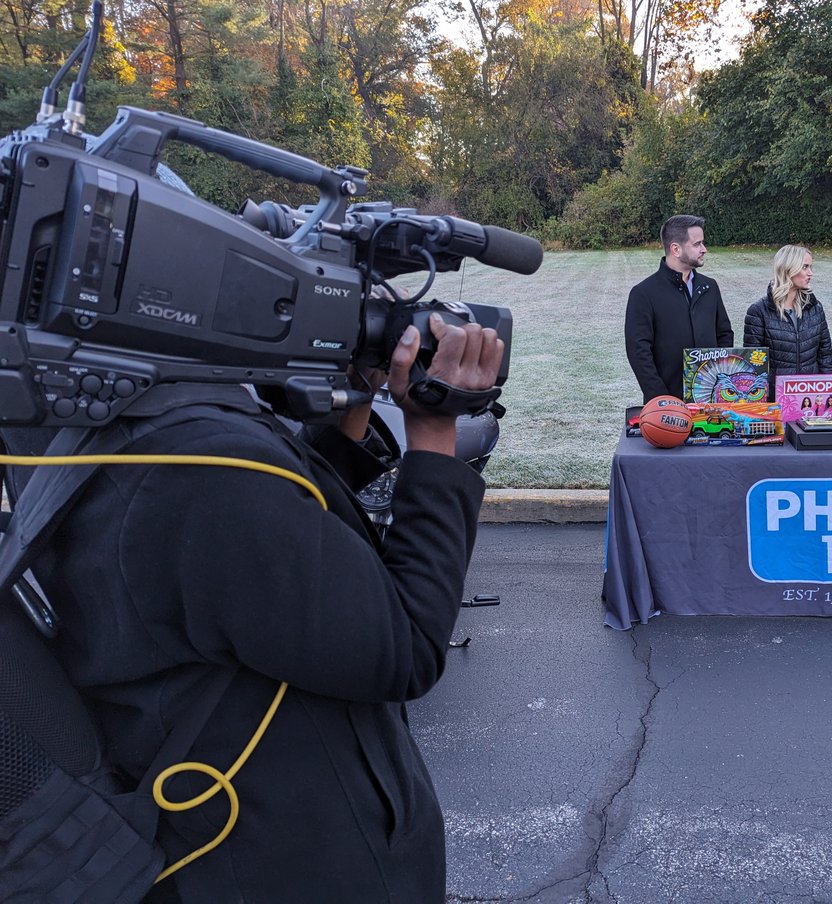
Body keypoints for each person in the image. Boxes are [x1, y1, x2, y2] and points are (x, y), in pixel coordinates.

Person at [9, 314, 504, 902]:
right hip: (293, 856)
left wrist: (346, 417)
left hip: (212, 832)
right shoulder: (196, 464)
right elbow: (406, 648)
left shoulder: (80, 407)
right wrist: (434, 432)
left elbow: (260, 566)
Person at [625, 214, 734, 402]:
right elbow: (638, 352)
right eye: (697, 244)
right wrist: (661, 398)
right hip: (666, 404)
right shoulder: (643, 293)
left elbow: (724, 334)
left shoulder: (710, 287)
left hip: (710, 400)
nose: (704, 249)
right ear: (675, 249)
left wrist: (718, 378)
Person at [742, 244, 832, 401]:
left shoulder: (815, 308)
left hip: (810, 398)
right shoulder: (759, 311)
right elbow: (753, 366)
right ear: (788, 268)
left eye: (810, 267)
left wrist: (829, 391)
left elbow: (825, 355)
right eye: (805, 267)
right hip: (775, 399)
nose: (810, 273)